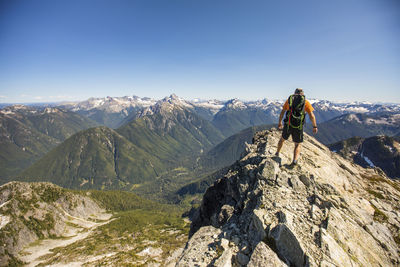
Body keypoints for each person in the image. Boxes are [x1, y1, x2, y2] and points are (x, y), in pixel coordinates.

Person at [275, 88, 318, 165]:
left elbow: (282, 112)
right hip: (298, 126)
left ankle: (277, 152)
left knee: (282, 139)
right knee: (297, 144)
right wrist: (314, 126)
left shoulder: (289, 101)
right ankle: (294, 161)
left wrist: (280, 123)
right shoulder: (305, 102)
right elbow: (312, 115)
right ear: (303, 94)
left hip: (288, 124)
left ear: (294, 93)